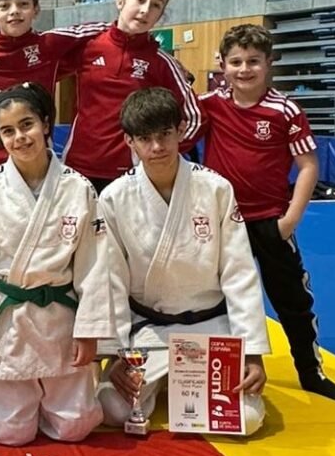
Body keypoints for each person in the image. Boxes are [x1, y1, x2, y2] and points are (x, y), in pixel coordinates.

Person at [97, 88, 269, 434]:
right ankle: (166, 380)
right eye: (145, 138)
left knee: (246, 420)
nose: (157, 147)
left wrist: (251, 351)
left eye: (165, 134)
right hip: (149, 330)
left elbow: (239, 272)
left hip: (211, 326)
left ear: (180, 132)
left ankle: (180, 383)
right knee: (112, 409)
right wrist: (115, 352)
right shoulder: (114, 197)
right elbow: (110, 280)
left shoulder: (216, 188)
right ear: (130, 141)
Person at [198, 24, 335, 404]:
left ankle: (311, 372)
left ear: (269, 63)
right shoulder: (209, 105)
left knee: (293, 301)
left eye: (253, 61)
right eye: (236, 62)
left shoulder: (285, 110)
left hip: (271, 222)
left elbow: (309, 166)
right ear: (222, 64)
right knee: (209, 299)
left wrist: (290, 220)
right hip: (222, 223)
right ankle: (206, 373)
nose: (244, 69)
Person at [0, 82, 112, 445]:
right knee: (11, 433)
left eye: (27, 125)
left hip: (61, 321)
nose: (20, 137)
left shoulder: (78, 188)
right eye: (8, 131)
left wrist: (89, 331)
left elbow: (93, 265)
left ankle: (44, 396)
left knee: (75, 428)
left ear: (45, 124)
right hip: (10, 320)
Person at [0, 0, 107, 182]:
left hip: (41, 163)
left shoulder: (50, 44)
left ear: (36, 10)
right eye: (5, 6)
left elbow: (105, 29)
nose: (14, 11)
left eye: (23, 4)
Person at [62, 0, 201, 193]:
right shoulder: (88, 44)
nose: (145, 10)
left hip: (132, 176)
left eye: (156, 5)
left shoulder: (162, 63)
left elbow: (196, 118)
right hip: (78, 168)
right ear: (120, 1)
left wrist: (159, 151)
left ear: (160, 15)